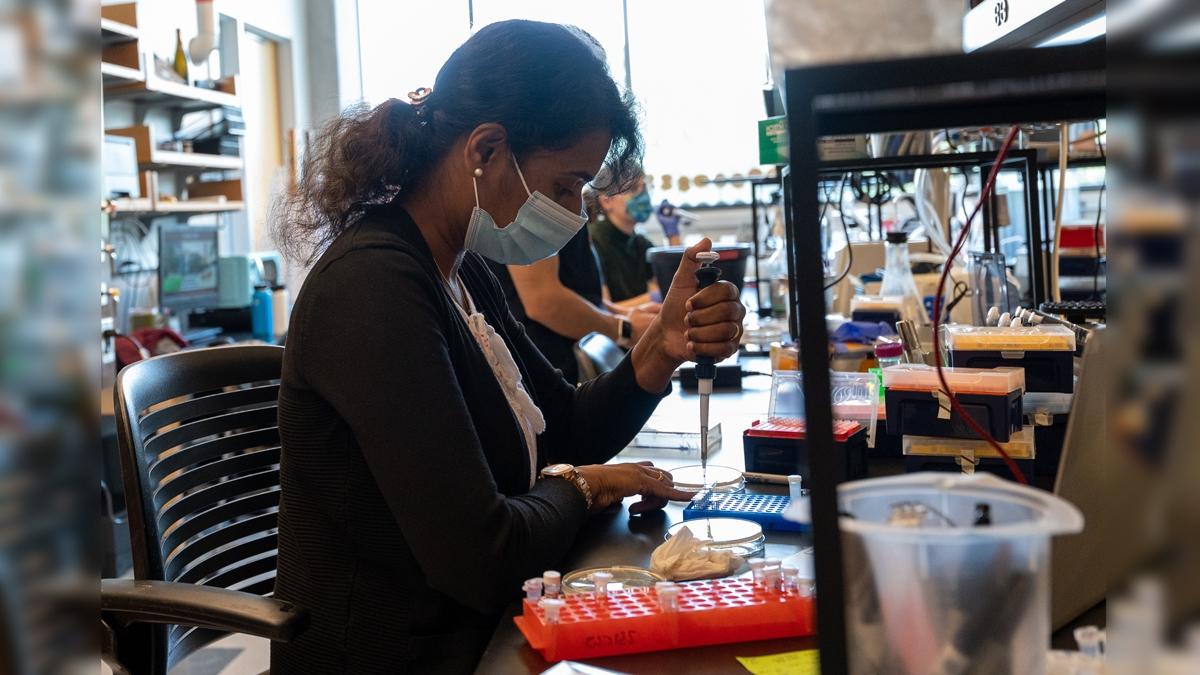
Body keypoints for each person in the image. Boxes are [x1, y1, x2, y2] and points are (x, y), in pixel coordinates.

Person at [269, 20, 744, 674]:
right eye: (563, 185)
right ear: (486, 149)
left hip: (476, 630)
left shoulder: (463, 271)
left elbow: (567, 426)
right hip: (399, 654)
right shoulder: (372, 288)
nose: (574, 211)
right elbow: (481, 556)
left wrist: (661, 346)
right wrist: (582, 487)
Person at [486, 224, 658, 384]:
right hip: (550, 366)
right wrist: (626, 329)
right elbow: (544, 301)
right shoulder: (530, 202)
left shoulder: (568, 203)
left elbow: (584, 293)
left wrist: (627, 315)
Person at [586, 166, 678, 307]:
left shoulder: (639, 242)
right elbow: (602, 309)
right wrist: (653, 298)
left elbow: (676, 284)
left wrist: (672, 234)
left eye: (644, 189)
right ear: (606, 201)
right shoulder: (593, 240)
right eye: (633, 189)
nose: (643, 196)